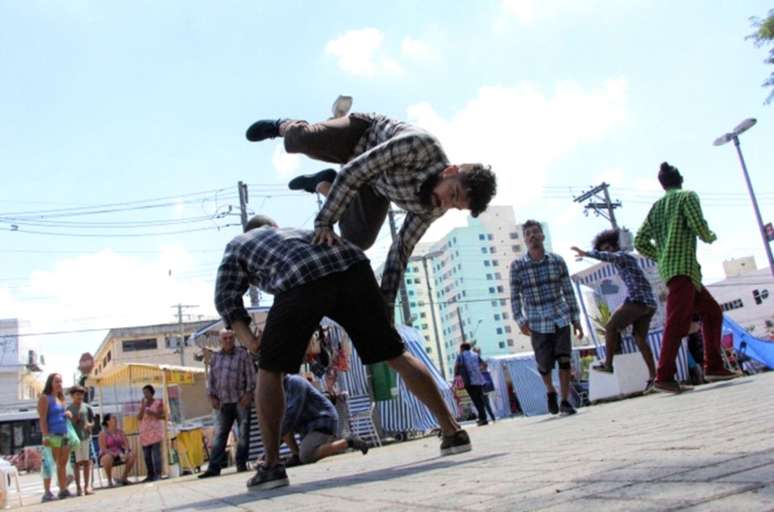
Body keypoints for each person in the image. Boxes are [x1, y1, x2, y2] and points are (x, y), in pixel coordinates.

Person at [214, 215, 471, 491]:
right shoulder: (296, 229)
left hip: (299, 276)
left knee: (269, 370)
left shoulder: (239, 243)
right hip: (352, 265)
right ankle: (453, 431)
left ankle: (272, 466)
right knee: (395, 353)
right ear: (275, 227)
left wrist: (252, 343)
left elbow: (226, 297)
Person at [245, 113, 497, 322]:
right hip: (360, 138)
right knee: (302, 141)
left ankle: (324, 183)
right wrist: (324, 221)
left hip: (374, 187)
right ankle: (284, 125)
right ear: (450, 171)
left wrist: (384, 305)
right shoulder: (420, 146)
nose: (445, 204)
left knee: (359, 240)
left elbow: (401, 249)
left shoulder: (434, 208)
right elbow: (356, 171)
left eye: (455, 206)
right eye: (451, 193)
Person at [635, 162, 738, 393]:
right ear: (680, 178)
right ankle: (664, 375)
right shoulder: (687, 196)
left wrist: (661, 255)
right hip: (683, 270)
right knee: (675, 321)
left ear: (662, 184)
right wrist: (709, 235)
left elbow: (639, 241)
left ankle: (713, 366)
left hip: (680, 271)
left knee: (712, 312)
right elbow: (697, 224)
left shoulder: (656, 207)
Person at [510, 220, 584, 416]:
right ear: (525, 239)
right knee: (544, 364)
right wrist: (520, 320)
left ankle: (565, 400)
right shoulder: (517, 266)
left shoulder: (557, 261)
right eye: (528, 234)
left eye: (536, 232)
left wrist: (575, 318)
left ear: (542, 236)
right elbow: (514, 295)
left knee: (565, 359)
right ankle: (550, 390)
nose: (533, 236)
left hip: (560, 315)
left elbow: (568, 290)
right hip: (536, 321)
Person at [571, 228, 658, 391]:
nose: (607, 252)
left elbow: (611, 256)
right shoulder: (626, 260)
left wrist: (587, 253)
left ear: (616, 246)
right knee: (640, 339)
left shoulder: (622, 256)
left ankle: (608, 364)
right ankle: (654, 377)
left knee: (611, 327)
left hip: (638, 301)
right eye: (603, 250)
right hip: (649, 305)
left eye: (609, 248)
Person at [199, 328, 256, 478]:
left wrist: (249, 393)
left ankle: (241, 464)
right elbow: (211, 380)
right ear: (220, 340)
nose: (228, 341)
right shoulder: (216, 357)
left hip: (240, 400)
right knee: (219, 435)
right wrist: (212, 396)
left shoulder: (243, 355)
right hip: (223, 403)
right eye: (225, 338)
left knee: (243, 434)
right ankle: (214, 468)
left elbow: (251, 375)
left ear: (234, 339)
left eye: (231, 338)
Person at [281, 374, 369, 467]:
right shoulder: (279, 391)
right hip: (308, 428)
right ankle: (297, 456)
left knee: (306, 456)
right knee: (281, 425)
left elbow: (291, 415)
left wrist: (271, 451)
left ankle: (348, 441)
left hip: (322, 421)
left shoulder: (294, 382)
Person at [37, 373, 72, 500]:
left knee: (62, 463)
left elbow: (61, 414)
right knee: (49, 463)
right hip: (52, 435)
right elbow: (42, 419)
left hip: (64, 434)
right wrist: (46, 436)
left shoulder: (61, 398)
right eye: (56, 381)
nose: (59, 384)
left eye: (61, 381)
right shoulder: (45, 398)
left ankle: (63, 489)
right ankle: (47, 492)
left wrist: (67, 413)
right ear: (50, 383)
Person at [67, 385, 94, 496]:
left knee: (87, 462)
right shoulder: (69, 409)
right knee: (76, 464)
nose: (80, 396)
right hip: (74, 440)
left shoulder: (87, 408)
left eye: (81, 394)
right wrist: (74, 420)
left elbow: (93, 422)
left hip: (86, 437)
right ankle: (78, 488)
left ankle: (87, 486)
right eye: (77, 394)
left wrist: (89, 425)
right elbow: (67, 425)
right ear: (72, 396)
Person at [454, 344, 489, 426]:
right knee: (480, 400)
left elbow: (456, 367)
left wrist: (456, 376)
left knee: (476, 400)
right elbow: (485, 364)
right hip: (479, 381)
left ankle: (483, 419)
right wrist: (478, 370)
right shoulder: (476, 355)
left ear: (462, 348)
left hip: (468, 381)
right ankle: (482, 417)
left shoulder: (461, 356)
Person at [98, 413, 136, 487]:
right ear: (108, 421)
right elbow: (103, 448)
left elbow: (126, 443)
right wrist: (112, 453)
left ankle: (124, 478)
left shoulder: (120, 432)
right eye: (113, 418)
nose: (115, 419)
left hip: (120, 453)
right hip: (107, 453)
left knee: (132, 455)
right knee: (107, 458)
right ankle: (109, 480)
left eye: (115, 418)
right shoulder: (103, 434)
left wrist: (126, 451)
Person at [137, 384, 165, 482]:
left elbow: (162, 416)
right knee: (147, 456)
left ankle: (158, 474)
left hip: (155, 432)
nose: (145, 395)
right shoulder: (142, 404)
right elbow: (139, 418)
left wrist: (152, 413)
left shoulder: (158, 402)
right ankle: (150, 475)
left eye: (147, 392)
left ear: (152, 393)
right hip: (144, 432)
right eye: (144, 393)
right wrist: (142, 407)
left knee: (156, 454)